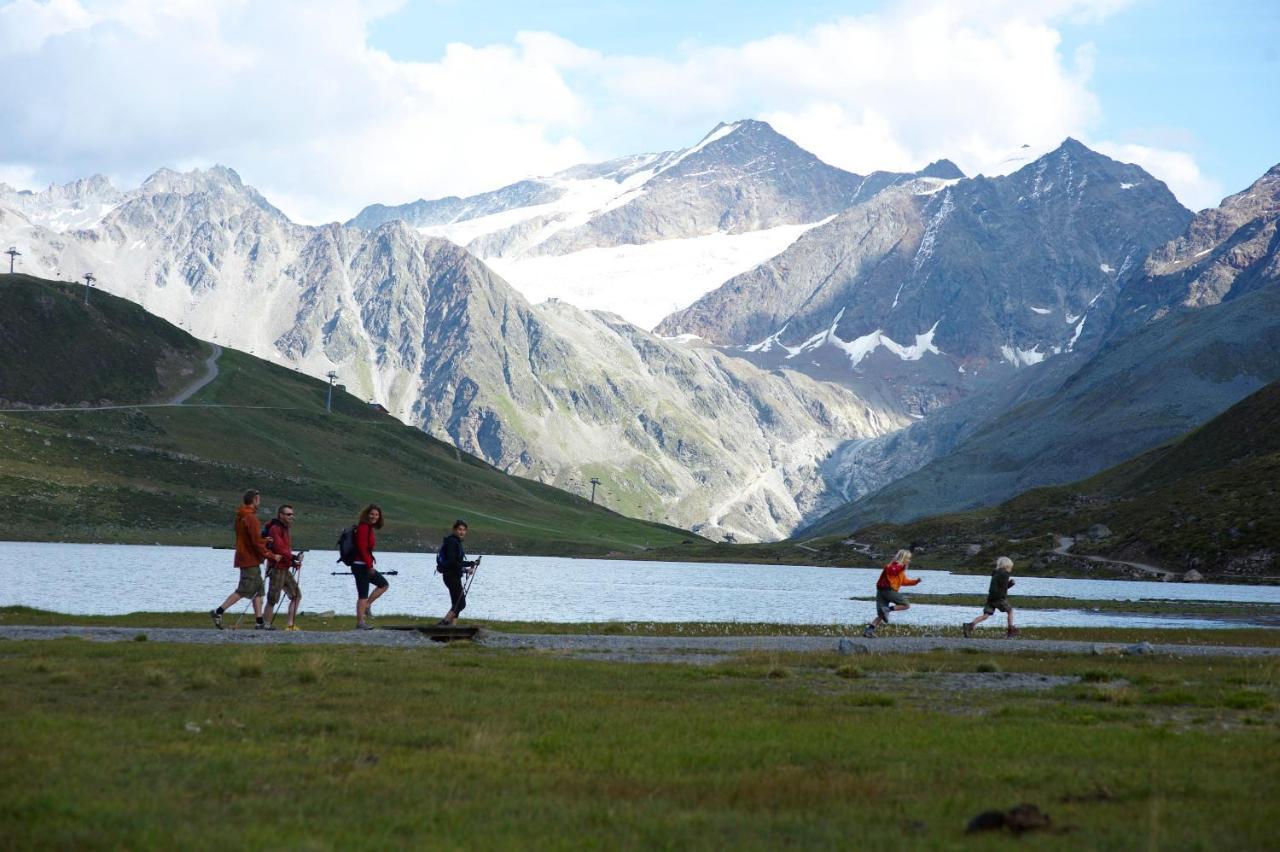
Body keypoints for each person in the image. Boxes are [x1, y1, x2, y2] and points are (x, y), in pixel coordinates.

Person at [211, 489, 284, 630]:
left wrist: (263, 540)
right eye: (259, 499)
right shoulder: (251, 518)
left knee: (258, 590)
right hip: (249, 559)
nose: (260, 502)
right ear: (255, 500)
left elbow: (251, 539)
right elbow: (256, 543)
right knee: (244, 589)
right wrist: (271, 555)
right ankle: (218, 612)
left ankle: (259, 622)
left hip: (246, 557)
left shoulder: (241, 516)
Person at [862, 549, 921, 638]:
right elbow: (891, 570)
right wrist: (902, 567)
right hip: (888, 590)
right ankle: (887, 609)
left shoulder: (899, 569)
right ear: (903, 558)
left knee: (882, 614)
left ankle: (869, 631)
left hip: (881, 591)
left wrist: (915, 581)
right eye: (908, 558)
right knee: (906, 605)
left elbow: (904, 581)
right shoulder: (893, 566)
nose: (909, 560)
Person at [263, 504, 303, 631]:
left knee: (296, 595)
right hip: (276, 567)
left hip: (284, 567)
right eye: (288, 514)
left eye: (292, 514)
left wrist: (292, 562)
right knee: (273, 598)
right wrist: (293, 558)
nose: (292, 516)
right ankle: (265, 624)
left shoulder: (285, 529)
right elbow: (278, 548)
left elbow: (284, 550)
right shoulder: (276, 529)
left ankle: (290, 624)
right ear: (281, 515)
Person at [350, 504, 388, 631]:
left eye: (376, 515)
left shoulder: (368, 528)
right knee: (362, 594)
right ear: (367, 514)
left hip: (363, 565)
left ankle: (366, 606)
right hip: (361, 565)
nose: (374, 517)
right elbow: (362, 548)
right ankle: (360, 622)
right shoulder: (364, 527)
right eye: (372, 514)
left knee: (383, 584)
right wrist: (369, 565)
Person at [963, 557, 1019, 638]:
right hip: (999, 598)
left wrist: (1007, 585)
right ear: (1007, 566)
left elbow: (998, 587)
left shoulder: (995, 574)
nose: (1011, 569)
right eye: (1010, 567)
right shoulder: (1004, 574)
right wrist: (1010, 584)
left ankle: (969, 626)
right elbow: (1003, 588)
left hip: (991, 598)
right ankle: (1011, 631)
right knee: (1010, 611)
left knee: (986, 615)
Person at [437, 520, 478, 626]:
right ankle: (444, 623)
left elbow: (457, 562)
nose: (462, 532)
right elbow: (452, 561)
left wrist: (471, 563)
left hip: (452, 576)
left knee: (456, 603)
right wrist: (465, 570)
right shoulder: (452, 542)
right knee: (461, 604)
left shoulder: (455, 542)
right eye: (459, 529)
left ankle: (452, 626)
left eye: (464, 530)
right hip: (451, 576)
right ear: (454, 530)